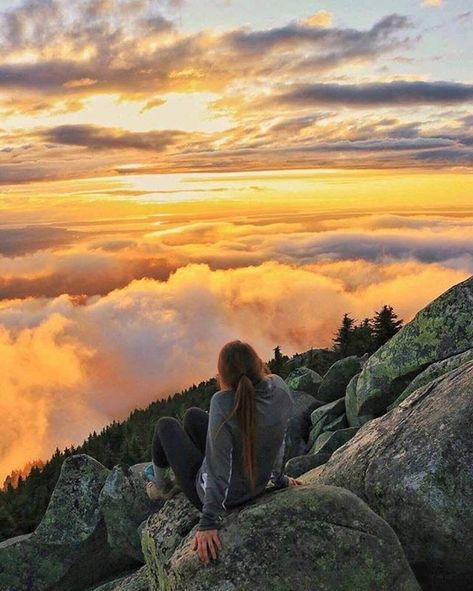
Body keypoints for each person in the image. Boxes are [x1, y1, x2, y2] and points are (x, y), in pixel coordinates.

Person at [147, 339, 302, 564]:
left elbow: (219, 470)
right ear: (259, 364)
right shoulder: (279, 387)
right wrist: (279, 478)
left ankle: (159, 486)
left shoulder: (222, 403)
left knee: (165, 425)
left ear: (223, 377)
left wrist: (209, 521)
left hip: (224, 497)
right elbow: (278, 438)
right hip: (257, 483)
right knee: (192, 415)